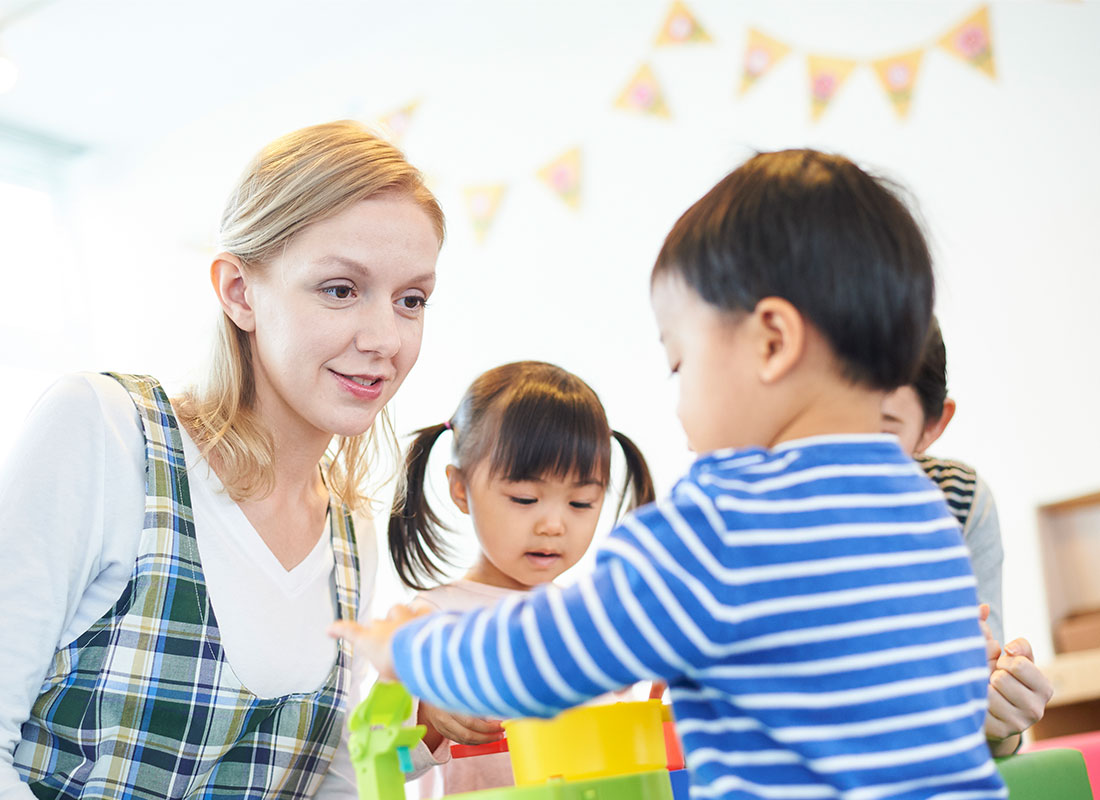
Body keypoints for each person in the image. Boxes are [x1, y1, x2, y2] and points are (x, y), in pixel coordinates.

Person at [332, 150, 1008, 798]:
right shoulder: (922, 512)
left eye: (680, 362)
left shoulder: (722, 521)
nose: (678, 396)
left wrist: (413, 650)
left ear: (772, 342)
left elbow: (544, 657)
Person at [0, 120, 445, 799]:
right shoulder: (107, 434)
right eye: (339, 289)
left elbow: (326, 786)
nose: (385, 338)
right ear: (240, 292)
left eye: (411, 300)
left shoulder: (351, 535)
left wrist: (405, 732)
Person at [390, 360, 656, 795]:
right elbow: (376, 759)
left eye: (581, 503)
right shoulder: (432, 621)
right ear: (461, 489)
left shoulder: (589, 620)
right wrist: (429, 719)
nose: (553, 524)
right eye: (525, 498)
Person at [882, 318, 1054, 757]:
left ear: (932, 425)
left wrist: (1001, 719)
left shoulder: (957, 501)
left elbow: (988, 721)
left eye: (881, 435)